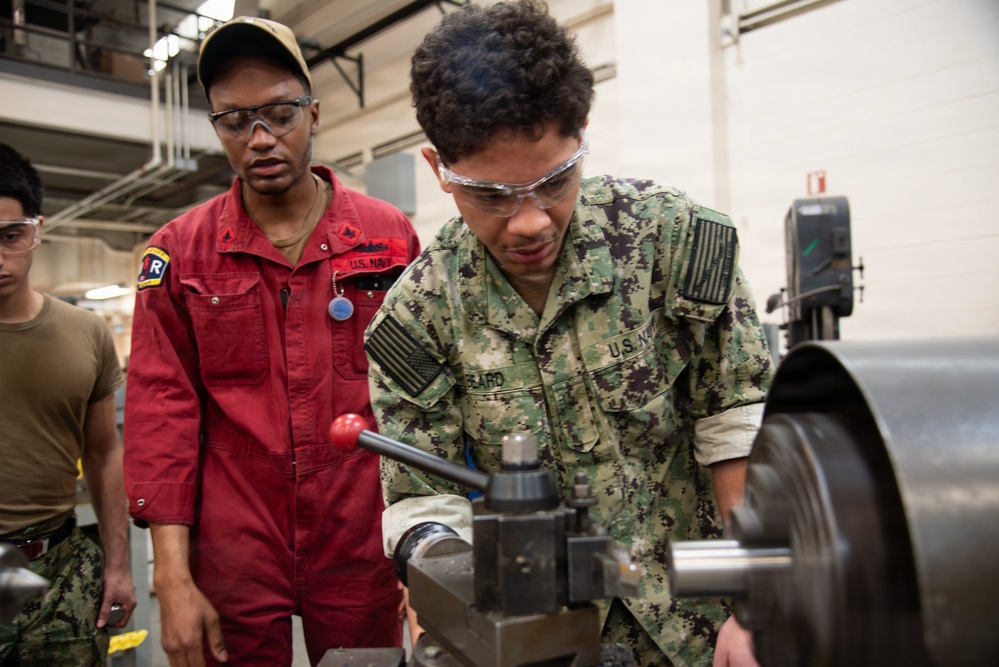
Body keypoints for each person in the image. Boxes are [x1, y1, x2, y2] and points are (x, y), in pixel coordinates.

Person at [365, 2, 774, 666]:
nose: (527, 221)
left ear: (582, 133)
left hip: (699, 621)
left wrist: (754, 604)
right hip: (539, 637)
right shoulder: (419, 315)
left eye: (553, 181)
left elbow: (733, 420)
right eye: (491, 194)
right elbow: (421, 496)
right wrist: (446, 611)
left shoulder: (672, 242)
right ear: (438, 169)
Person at [122, 16, 419, 667]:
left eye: (280, 114)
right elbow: (159, 412)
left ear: (313, 113)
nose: (259, 139)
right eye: (234, 121)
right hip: (234, 542)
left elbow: (420, 403)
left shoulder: (388, 236)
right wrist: (171, 578)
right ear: (217, 130)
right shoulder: (178, 252)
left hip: (357, 535)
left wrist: (421, 548)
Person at [0, 143, 136, 664]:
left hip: (59, 571)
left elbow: (103, 452)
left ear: (36, 230)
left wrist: (118, 566)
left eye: (10, 236)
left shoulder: (85, 333)